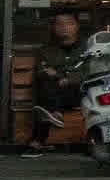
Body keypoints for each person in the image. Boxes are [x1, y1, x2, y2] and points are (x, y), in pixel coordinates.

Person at [21, 8, 87, 151]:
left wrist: (67, 78)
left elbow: (90, 70)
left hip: (79, 93)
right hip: (55, 91)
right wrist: (59, 77)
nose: (64, 27)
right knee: (44, 81)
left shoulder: (88, 48)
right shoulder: (46, 49)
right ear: (53, 27)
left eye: (68, 23)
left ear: (77, 26)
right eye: (59, 24)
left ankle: (38, 140)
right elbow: (42, 70)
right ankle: (54, 111)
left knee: (46, 98)